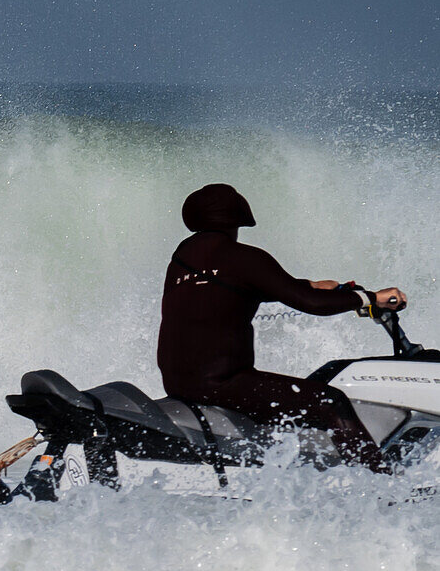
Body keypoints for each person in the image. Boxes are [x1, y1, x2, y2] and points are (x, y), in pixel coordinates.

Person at [156, 183, 406, 473]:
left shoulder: (181, 259)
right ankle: (382, 486)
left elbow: (241, 286)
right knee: (330, 401)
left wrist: (309, 284)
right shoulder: (243, 256)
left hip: (179, 383)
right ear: (238, 216)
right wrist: (371, 298)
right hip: (223, 383)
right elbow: (310, 304)